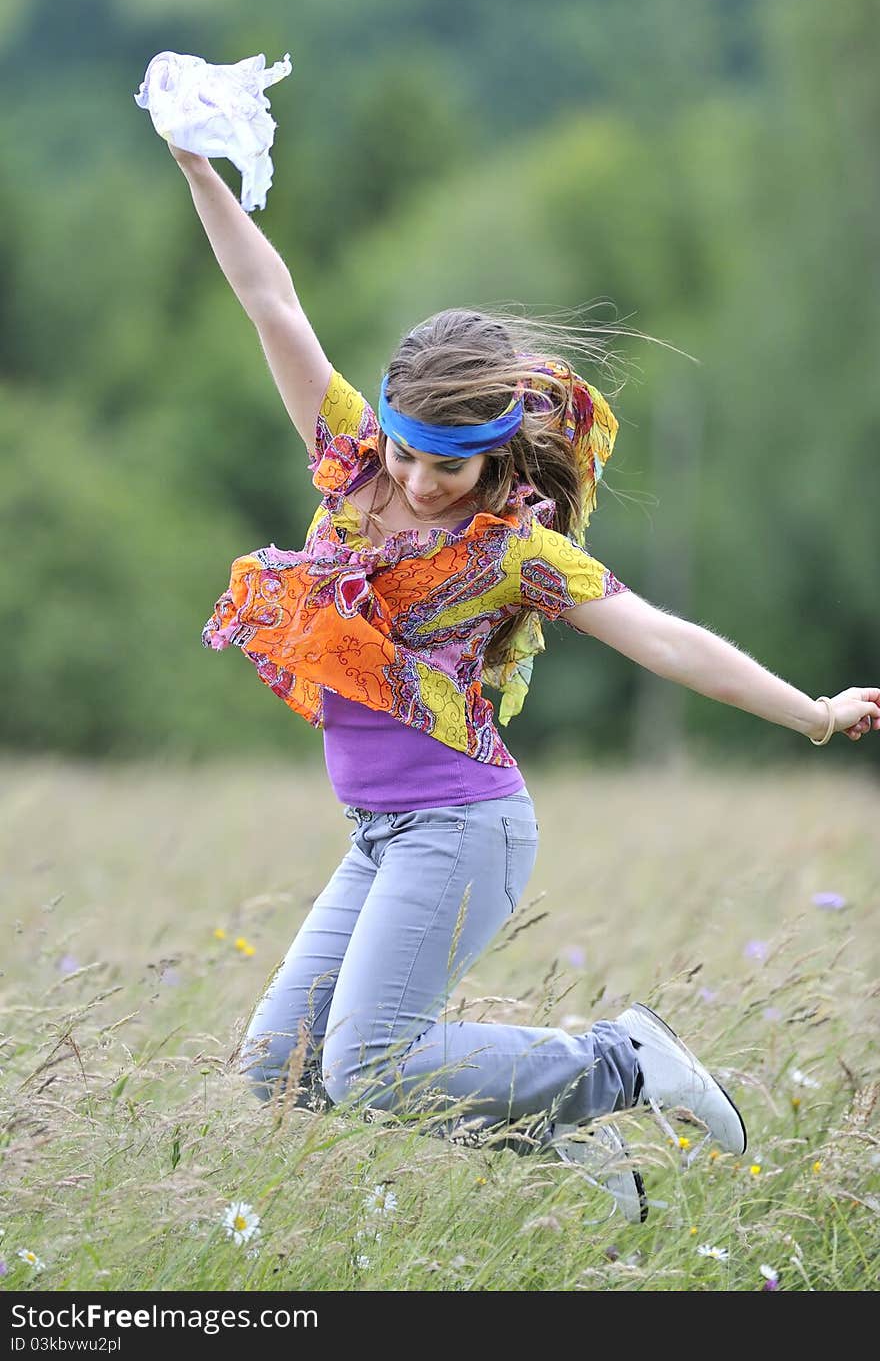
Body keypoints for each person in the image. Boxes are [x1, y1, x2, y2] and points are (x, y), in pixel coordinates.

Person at [168, 143, 880, 1224]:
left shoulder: (517, 554)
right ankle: (563, 1144)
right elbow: (270, 301)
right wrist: (194, 164)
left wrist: (814, 713)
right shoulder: (350, 457)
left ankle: (618, 1061)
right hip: (379, 831)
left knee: (368, 1066)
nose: (415, 481)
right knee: (281, 1067)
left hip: (463, 829)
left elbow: (667, 641)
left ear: (496, 456)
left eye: (446, 467)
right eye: (407, 452)